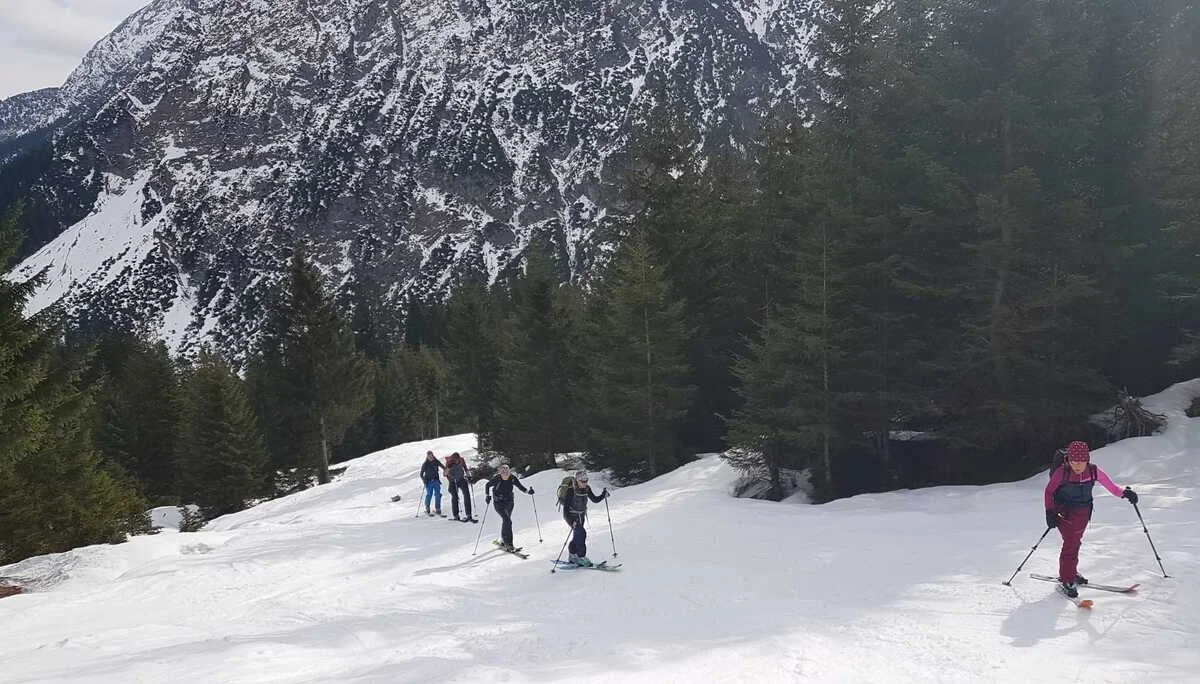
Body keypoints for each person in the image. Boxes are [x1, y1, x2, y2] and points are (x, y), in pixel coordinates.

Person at [1044, 440, 1138, 597]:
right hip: (1065, 513)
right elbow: (1049, 492)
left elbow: (1112, 487)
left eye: (1081, 461)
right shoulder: (1062, 472)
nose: (1077, 465)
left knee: (1074, 543)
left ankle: (1070, 571)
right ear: (1068, 459)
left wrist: (1125, 494)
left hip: (1084, 514)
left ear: (1087, 459)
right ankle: (1067, 578)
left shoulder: (1094, 471)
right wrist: (1049, 513)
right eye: (1074, 461)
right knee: (1071, 545)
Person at [559, 469, 608, 566]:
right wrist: (571, 521)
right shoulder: (571, 490)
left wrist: (603, 495)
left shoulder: (587, 489)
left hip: (581, 516)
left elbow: (594, 499)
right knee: (581, 533)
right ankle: (581, 557)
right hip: (572, 516)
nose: (585, 483)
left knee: (578, 536)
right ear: (577, 480)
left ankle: (573, 556)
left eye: (586, 481)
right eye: (582, 481)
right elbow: (565, 510)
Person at [485, 463, 533, 550]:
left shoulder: (512, 478)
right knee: (507, 521)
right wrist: (487, 496)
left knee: (506, 521)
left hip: (509, 503)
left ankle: (503, 540)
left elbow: (520, 487)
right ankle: (509, 544)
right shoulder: (497, 479)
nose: (506, 473)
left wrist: (528, 492)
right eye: (503, 471)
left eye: (507, 471)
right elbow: (487, 485)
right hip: (498, 503)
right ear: (500, 472)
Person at [443, 451, 475, 522]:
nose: (457, 461)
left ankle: (469, 514)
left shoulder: (461, 460)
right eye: (456, 460)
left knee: (467, 494)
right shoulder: (449, 462)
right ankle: (456, 515)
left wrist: (469, 476)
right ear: (453, 459)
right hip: (452, 481)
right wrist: (448, 469)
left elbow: (465, 468)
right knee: (455, 497)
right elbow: (444, 474)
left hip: (461, 479)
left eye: (458, 460)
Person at [420, 451, 445, 517]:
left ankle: (438, 508)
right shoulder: (425, 464)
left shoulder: (436, 461)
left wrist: (446, 470)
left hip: (436, 481)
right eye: (429, 456)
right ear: (427, 457)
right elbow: (421, 474)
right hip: (429, 482)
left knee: (438, 494)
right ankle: (427, 507)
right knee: (429, 495)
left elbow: (442, 466)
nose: (431, 457)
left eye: (432, 456)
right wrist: (424, 481)